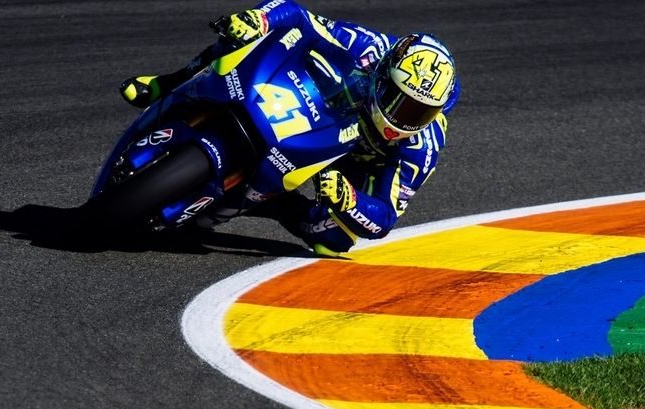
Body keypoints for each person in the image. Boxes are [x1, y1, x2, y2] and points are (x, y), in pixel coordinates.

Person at [120, 1, 459, 256]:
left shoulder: (423, 145)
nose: (403, 119)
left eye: (419, 112)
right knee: (243, 36)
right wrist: (260, 19)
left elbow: (383, 218)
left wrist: (350, 198)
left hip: (351, 163)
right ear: (384, 75)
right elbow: (299, 16)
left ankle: (279, 203)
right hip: (326, 110)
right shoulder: (370, 47)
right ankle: (172, 82)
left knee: (333, 240)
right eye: (399, 101)